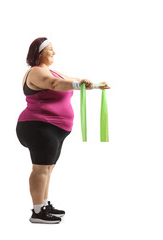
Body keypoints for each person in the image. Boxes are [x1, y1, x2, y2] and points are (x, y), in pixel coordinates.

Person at [16, 37, 110, 224]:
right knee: (41, 169)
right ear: (39, 53)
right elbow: (53, 85)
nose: (54, 52)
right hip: (39, 126)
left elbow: (71, 80)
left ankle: (42, 204)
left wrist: (96, 85)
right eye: (50, 49)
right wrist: (77, 84)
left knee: (48, 168)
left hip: (54, 129)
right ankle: (37, 212)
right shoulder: (35, 72)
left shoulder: (51, 71)